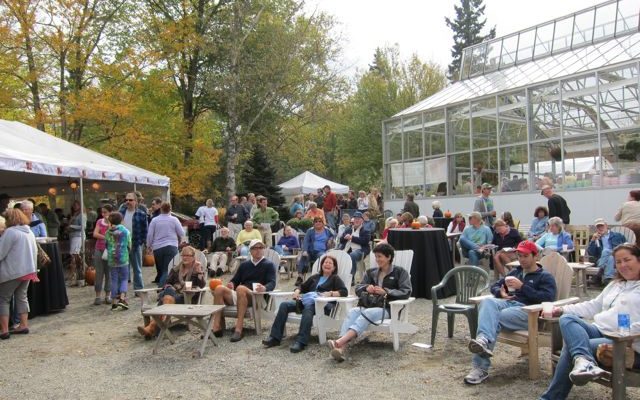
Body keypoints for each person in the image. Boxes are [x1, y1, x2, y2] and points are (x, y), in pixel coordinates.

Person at [539, 243, 640, 399]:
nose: (623, 265)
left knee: (573, 348)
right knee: (567, 319)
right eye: (618, 262)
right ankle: (584, 361)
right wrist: (562, 309)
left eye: (627, 260)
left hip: (624, 341)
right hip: (599, 330)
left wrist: (625, 334)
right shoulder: (616, 284)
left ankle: (554, 394)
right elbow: (594, 305)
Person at [464, 240, 557, 384]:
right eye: (519, 256)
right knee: (487, 302)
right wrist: (500, 293)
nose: (521, 259)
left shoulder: (545, 277)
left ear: (535, 256)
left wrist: (523, 286)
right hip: (509, 305)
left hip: (529, 313)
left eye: (525, 256)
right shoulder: (516, 271)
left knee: (493, 317)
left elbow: (547, 298)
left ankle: (480, 368)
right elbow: (495, 285)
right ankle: (483, 340)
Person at [328, 243, 411, 361]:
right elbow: (358, 288)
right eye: (376, 256)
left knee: (368, 313)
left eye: (380, 256)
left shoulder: (400, 272)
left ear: (388, 257)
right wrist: (366, 288)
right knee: (353, 311)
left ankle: (339, 341)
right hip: (369, 304)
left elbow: (406, 291)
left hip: (388, 308)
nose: (377, 259)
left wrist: (386, 291)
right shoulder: (371, 272)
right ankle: (341, 348)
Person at [263, 254, 348, 353]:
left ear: (334, 268)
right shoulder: (315, 277)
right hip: (306, 302)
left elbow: (344, 292)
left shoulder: (335, 278)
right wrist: (297, 291)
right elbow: (302, 286)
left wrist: (331, 293)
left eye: (330, 263)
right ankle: (275, 338)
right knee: (284, 305)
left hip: (322, 305)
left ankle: (301, 342)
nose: (327, 264)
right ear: (322, 265)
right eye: (325, 262)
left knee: (308, 308)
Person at [212, 239, 276, 342]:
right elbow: (235, 280)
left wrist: (265, 287)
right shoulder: (245, 265)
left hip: (257, 297)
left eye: (261, 248)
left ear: (263, 250)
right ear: (250, 251)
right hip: (241, 295)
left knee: (241, 288)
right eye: (255, 248)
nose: (258, 250)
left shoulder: (269, 265)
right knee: (219, 289)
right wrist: (231, 284)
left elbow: (272, 282)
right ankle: (216, 328)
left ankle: (239, 329)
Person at [137, 245, 206, 339]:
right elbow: (167, 283)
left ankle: (152, 327)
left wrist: (199, 272)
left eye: (187, 255)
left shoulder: (196, 268)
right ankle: (157, 324)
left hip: (187, 298)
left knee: (167, 296)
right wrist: (171, 287)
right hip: (172, 296)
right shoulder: (175, 269)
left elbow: (201, 285)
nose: (185, 257)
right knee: (168, 294)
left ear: (193, 257)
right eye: (183, 255)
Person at [0, 209, 37, 339]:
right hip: (27, 271)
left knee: (3, 299)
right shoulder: (29, 232)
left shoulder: (10, 232)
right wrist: (34, 271)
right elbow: (35, 253)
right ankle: (23, 325)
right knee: (22, 297)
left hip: (12, 272)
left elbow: (1, 253)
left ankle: (4, 330)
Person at [146, 202, 184, 286]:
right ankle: (162, 289)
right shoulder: (174, 220)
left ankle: (162, 287)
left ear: (161, 209)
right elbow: (181, 233)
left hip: (158, 248)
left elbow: (150, 235)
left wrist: (149, 246)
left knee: (161, 269)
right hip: (171, 247)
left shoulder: (155, 220)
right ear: (170, 209)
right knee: (167, 270)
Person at [119, 193, 148, 291]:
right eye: (126, 200)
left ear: (136, 201)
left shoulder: (141, 214)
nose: (128, 202)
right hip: (122, 244)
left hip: (135, 244)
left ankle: (138, 289)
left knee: (137, 269)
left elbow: (145, 230)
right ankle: (122, 290)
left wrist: (142, 243)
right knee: (122, 268)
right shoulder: (121, 212)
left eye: (130, 200)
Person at [586, 218, 626, 284]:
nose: (600, 228)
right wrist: (593, 240)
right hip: (602, 259)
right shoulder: (596, 238)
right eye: (598, 226)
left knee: (606, 252)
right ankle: (608, 279)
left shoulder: (617, 235)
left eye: (602, 226)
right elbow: (591, 253)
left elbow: (626, 246)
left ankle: (599, 272)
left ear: (606, 225)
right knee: (610, 257)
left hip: (617, 257)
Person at [105, 212, 131, 311]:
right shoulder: (125, 231)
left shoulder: (107, 232)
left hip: (112, 259)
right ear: (121, 220)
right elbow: (129, 245)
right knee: (124, 278)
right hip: (123, 258)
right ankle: (122, 298)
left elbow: (106, 245)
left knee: (114, 279)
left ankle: (114, 302)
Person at [297, 217, 334, 285]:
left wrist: (330, 239)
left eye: (320, 221)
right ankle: (300, 277)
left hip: (321, 251)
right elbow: (306, 241)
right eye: (316, 221)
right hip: (311, 251)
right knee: (303, 257)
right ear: (313, 224)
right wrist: (305, 250)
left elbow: (334, 235)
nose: (318, 223)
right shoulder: (310, 231)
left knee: (321, 257)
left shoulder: (327, 230)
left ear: (323, 223)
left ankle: (317, 278)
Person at [339, 211, 371, 284]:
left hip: (360, 250)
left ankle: (351, 278)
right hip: (347, 249)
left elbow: (365, 241)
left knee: (352, 255)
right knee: (337, 254)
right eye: (355, 218)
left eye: (359, 219)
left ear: (362, 220)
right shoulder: (349, 229)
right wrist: (345, 238)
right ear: (353, 220)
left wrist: (351, 238)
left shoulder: (366, 230)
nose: (357, 220)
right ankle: (339, 278)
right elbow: (341, 240)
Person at [92, 205, 113, 305]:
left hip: (109, 250)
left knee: (108, 273)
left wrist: (110, 223)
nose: (103, 214)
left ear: (110, 212)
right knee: (99, 273)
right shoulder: (99, 222)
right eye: (102, 212)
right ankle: (98, 295)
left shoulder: (113, 222)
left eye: (105, 212)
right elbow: (95, 234)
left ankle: (108, 295)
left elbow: (113, 233)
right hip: (99, 249)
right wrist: (105, 237)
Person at [67, 200, 86, 284]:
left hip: (78, 236)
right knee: (75, 256)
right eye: (74, 205)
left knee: (74, 256)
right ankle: (76, 275)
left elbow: (83, 227)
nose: (75, 206)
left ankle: (73, 276)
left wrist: (71, 226)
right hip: (73, 236)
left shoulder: (82, 215)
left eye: (76, 205)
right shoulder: (75, 214)